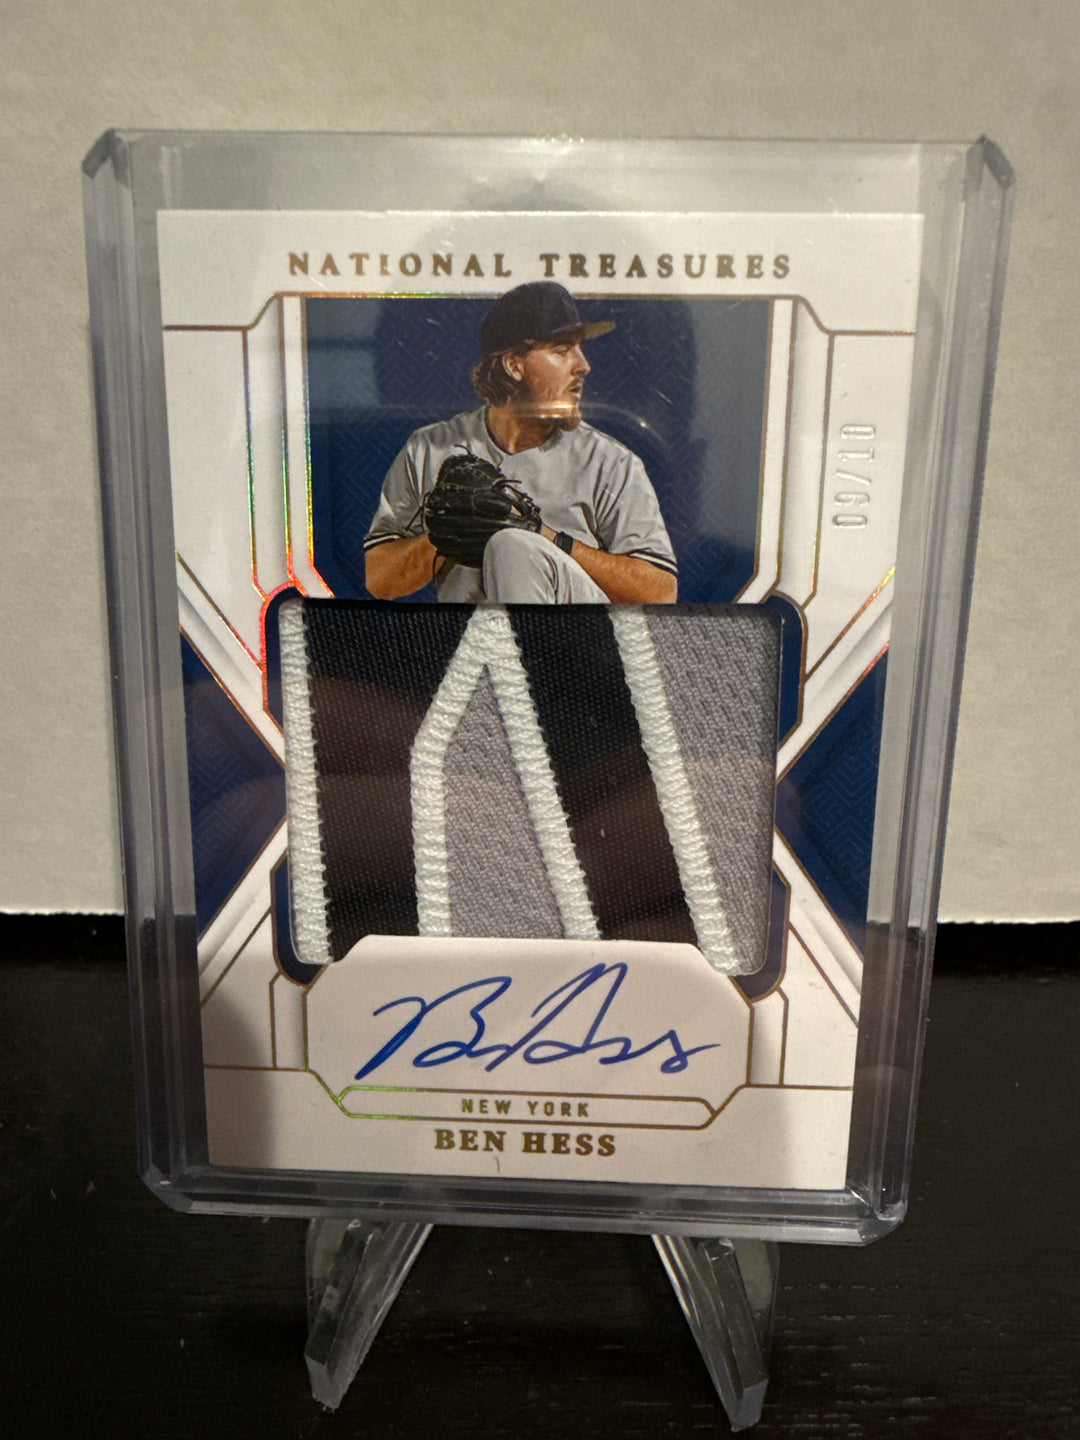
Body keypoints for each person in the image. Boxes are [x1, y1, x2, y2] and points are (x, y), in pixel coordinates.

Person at [364, 282, 678, 604]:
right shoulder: (430, 448)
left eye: (580, 348)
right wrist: (445, 533)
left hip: (576, 631)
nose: (583, 365)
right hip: (475, 632)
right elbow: (380, 581)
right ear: (514, 365)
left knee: (512, 545)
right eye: (562, 350)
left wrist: (546, 536)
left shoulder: (610, 462)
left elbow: (661, 592)